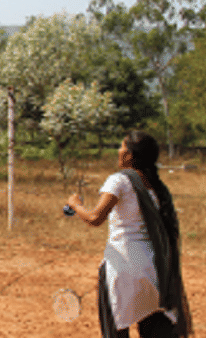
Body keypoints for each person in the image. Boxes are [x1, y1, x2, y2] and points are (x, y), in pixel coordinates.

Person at [65, 131, 192, 338]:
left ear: (130, 155)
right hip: (154, 270)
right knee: (154, 329)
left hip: (122, 267)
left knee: (115, 330)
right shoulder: (156, 186)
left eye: (122, 147)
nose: (119, 150)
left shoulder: (119, 181)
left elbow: (95, 218)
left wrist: (75, 205)